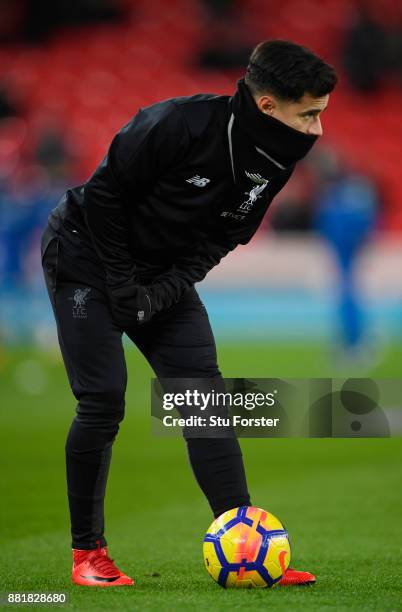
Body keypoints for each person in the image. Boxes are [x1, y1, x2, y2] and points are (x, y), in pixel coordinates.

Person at [41, 39, 337, 587]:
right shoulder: (176, 124)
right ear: (269, 106)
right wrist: (125, 285)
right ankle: (88, 554)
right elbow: (103, 197)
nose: (317, 131)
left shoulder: (275, 161)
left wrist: (163, 290)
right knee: (103, 400)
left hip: (158, 275)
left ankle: (250, 542)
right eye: (310, 114)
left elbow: (222, 238)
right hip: (83, 256)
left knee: (204, 399)